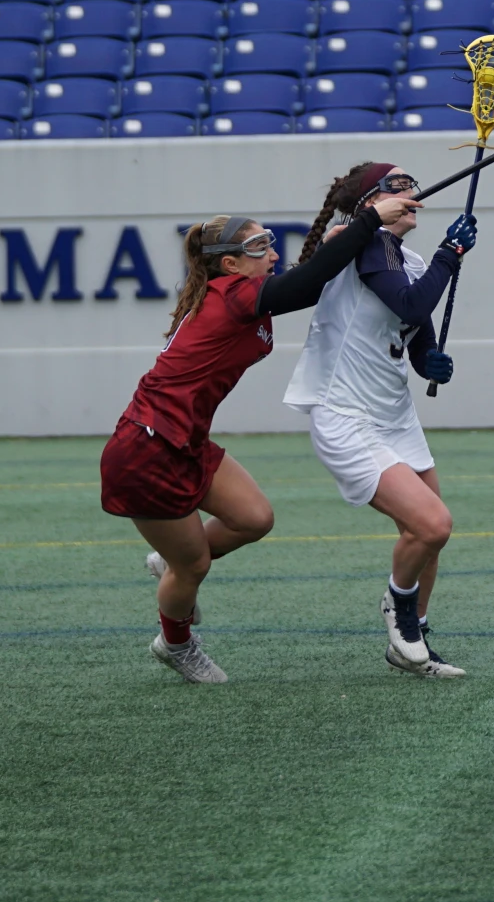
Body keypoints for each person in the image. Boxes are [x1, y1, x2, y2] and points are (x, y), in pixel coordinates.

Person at [101, 188, 420, 684]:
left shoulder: (237, 292)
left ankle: (169, 559)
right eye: (259, 248)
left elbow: (304, 282)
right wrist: (368, 221)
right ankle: (175, 642)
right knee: (194, 566)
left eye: (271, 243)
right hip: (147, 448)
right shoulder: (233, 296)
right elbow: (305, 285)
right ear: (229, 264)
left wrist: (343, 239)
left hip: (183, 439)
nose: (272, 254)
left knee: (254, 518)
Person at [284, 162, 478, 679]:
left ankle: (413, 636)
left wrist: (429, 361)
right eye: (399, 185)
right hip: (346, 416)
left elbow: (414, 327)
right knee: (432, 523)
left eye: (413, 184)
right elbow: (412, 298)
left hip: (394, 415)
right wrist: (451, 254)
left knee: (430, 535)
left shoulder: (408, 258)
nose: (413, 192)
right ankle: (399, 613)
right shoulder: (355, 238)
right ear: (372, 201)